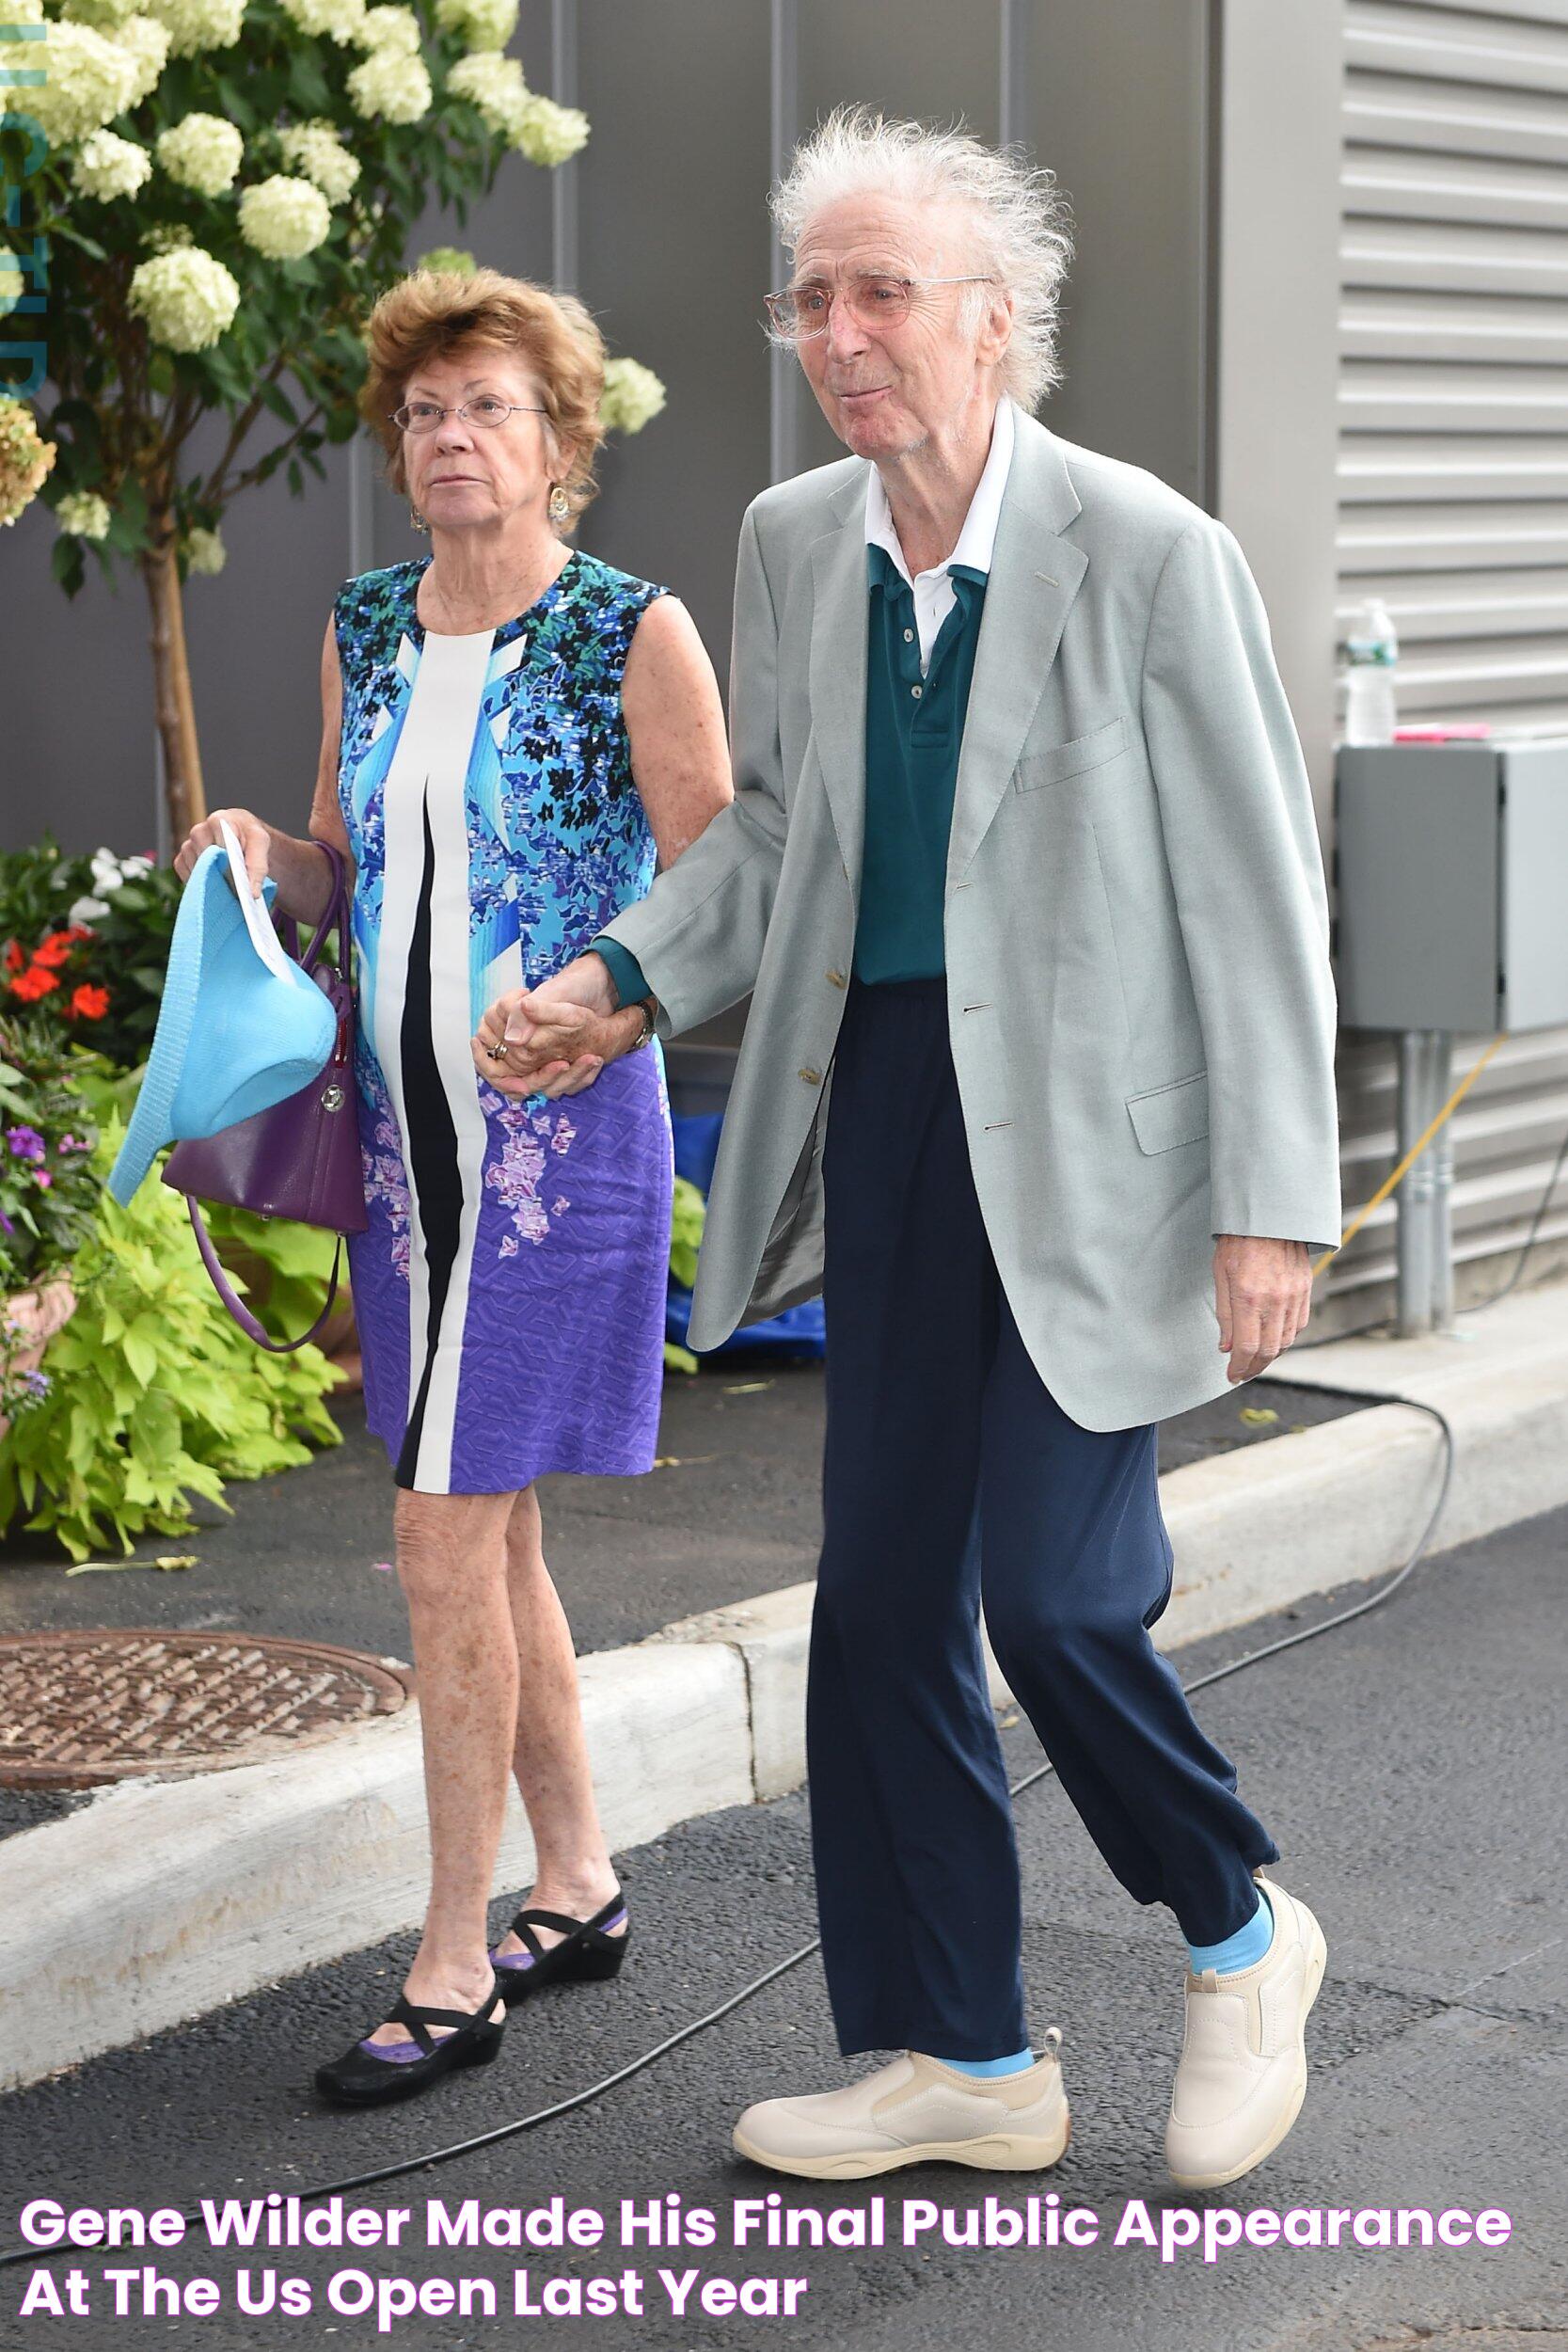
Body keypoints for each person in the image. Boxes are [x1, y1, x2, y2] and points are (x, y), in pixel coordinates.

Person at [481, 110, 1341, 2189]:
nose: (843, 334)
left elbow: (1250, 884)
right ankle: (959, 2047)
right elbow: (775, 832)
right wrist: (614, 971)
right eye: (815, 298)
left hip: (1102, 1153)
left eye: (885, 294)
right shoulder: (796, 544)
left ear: (994, 323)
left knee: (1054, 1597)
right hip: (888, 1113)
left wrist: (1270, 1200)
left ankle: (1239, 1925)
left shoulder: (1144, 547)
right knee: (876, 1604)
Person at [175, 265, 732, 2106]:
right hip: (410, 1159)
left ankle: (449, 1953)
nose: (448, 437)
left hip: (558, 1150)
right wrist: (266, 849)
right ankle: (569, 1883)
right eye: (423, 412)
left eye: (486, 407)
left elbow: (713, 879)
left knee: (438, 1532)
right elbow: (348, 868)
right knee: (486, 1530)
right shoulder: (365, 628)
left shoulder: (629, 630)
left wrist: (599, 991)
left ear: (560, 441)